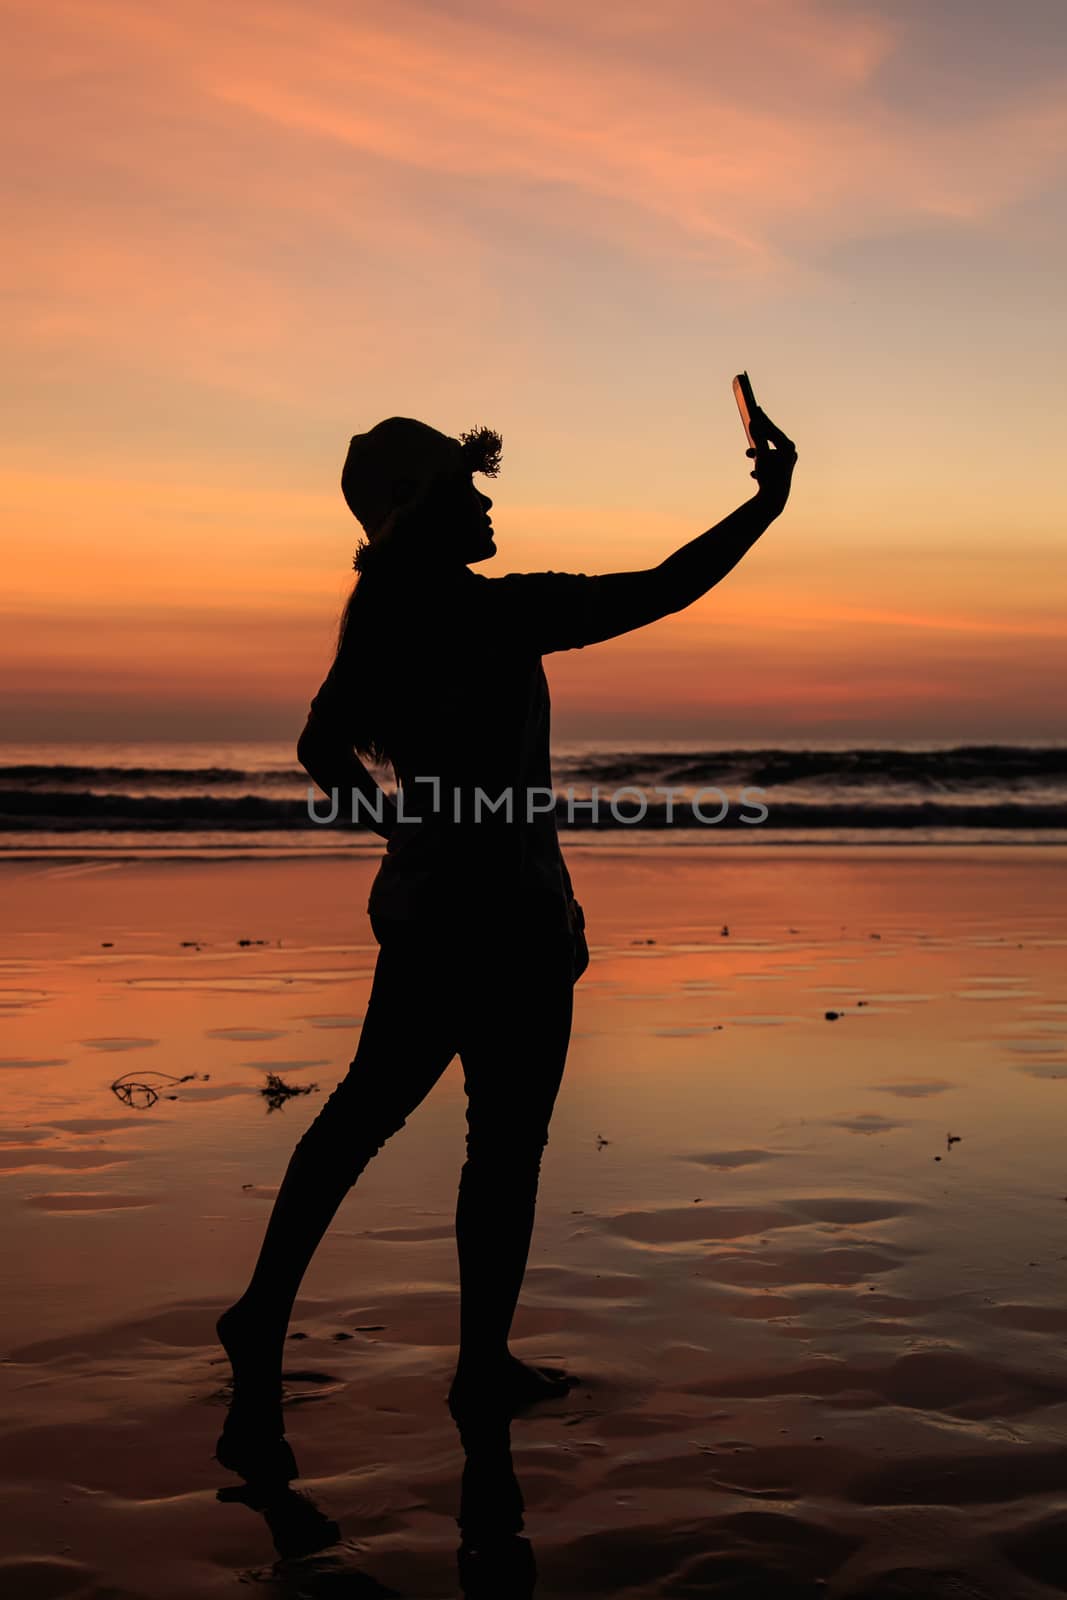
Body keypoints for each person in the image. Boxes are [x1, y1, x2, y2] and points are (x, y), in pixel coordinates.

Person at [216, 406, 796, 1482]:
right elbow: (662, 587)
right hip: (512, 922)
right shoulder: (489, 617)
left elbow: (316, 744)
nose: (487, 504)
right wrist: (763, 503)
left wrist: (396, 823)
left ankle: (262, 1315)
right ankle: (477, 1362)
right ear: (420, 513)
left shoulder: (381, 625)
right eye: (465, 491)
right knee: (499, 1146)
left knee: (359, 1116)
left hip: (432, 909)